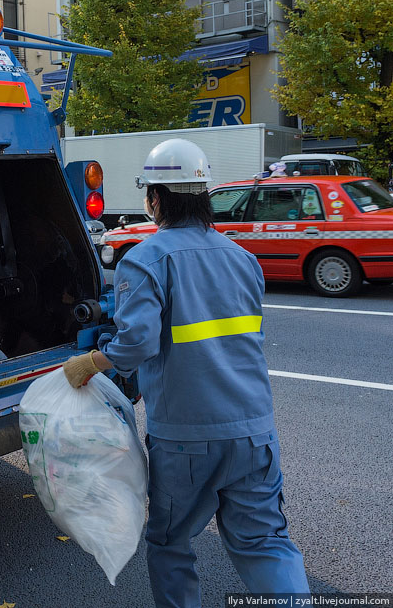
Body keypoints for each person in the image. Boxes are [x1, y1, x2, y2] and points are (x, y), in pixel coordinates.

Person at [58, 139, 308, 608]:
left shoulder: (146, 259)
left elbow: (137, 344)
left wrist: (91, 363)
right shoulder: (242, 258)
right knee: (264, 543)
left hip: (186, 439)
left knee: (171, 542)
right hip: (254, 430)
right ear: (204, 194)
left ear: (155, 198)